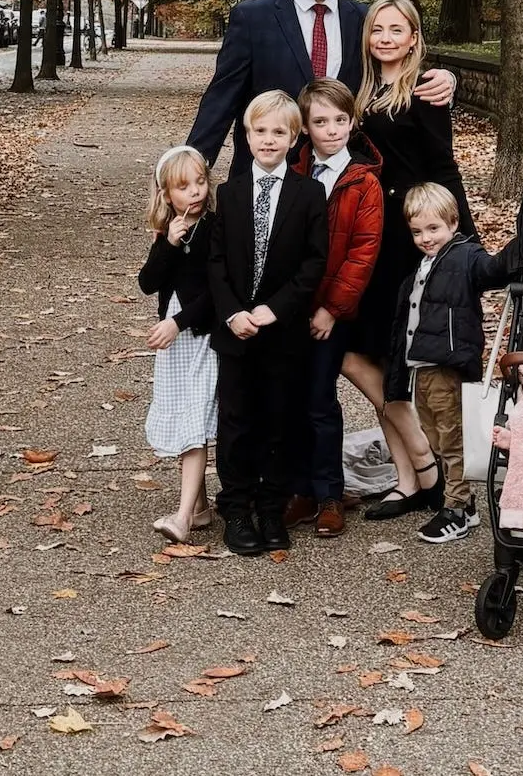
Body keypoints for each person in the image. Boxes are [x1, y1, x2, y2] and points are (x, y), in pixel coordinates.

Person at [187, 0, 455, 168]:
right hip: (270, 178)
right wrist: (190, 165)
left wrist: (448, 80)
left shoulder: (365, 20)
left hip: (344, 186)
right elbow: (221, 100)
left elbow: (397, 71)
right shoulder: (252, 18)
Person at [348, 0, 478, 521]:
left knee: (397, 360)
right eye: (377, 28)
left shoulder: (424, 91)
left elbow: (442, 168)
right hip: (370, 235)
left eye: (396, 30)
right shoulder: (361, 90)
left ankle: (422, 473)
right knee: (364, 356)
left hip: (408, 239)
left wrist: (462, 240)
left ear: (414, 38)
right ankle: (413, 475)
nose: (384, 37)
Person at [204, 90, 329, 558]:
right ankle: (236, 506)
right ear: (247, 134)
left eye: (280, 132)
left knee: (280, 420)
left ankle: (271, 506)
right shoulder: (230, 192)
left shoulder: (308, 193)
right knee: (237, 421)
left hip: (283, 329)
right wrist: (234, 312)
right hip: (236, 330)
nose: (269, 139)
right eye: (261, 131)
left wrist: (275, 308)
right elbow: (216, 263)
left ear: (296, 139)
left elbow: (314, 263)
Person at [285, 77, 384, 539]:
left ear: (352, 121)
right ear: (304, 127)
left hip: (331, 313)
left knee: (321, 400)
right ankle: (298, 487)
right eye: (320, 121)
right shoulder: (293, 172)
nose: (332, 129)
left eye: (340, 120)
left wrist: (330, 309)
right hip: (289, 308)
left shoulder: (363, 183)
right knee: (291, 398)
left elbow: (362, 254)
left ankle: (328, 492)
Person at [391, 183, 508, 544]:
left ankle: (457, 506)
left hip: (447, 364)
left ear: (453, 223)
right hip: (422, 366)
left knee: (451, 435)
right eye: (417, 231)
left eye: (433, 229)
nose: (425, 238)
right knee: (434, 435)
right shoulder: (422, 268)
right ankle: (463, 503)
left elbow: (494, 270)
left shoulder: (465, 256)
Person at [137, 145, 220, 544]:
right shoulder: (169, 230)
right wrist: (167, 243)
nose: (195, 192)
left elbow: (218, 293)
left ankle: (184, 517)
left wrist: (178, 322)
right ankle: (200, 507)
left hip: (201, 335)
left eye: (200, 182)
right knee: (185, 416)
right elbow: (148, 282)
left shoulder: (216, 228)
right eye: (184, 186)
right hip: (175, 340)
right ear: (167, 194)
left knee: (194, 424)